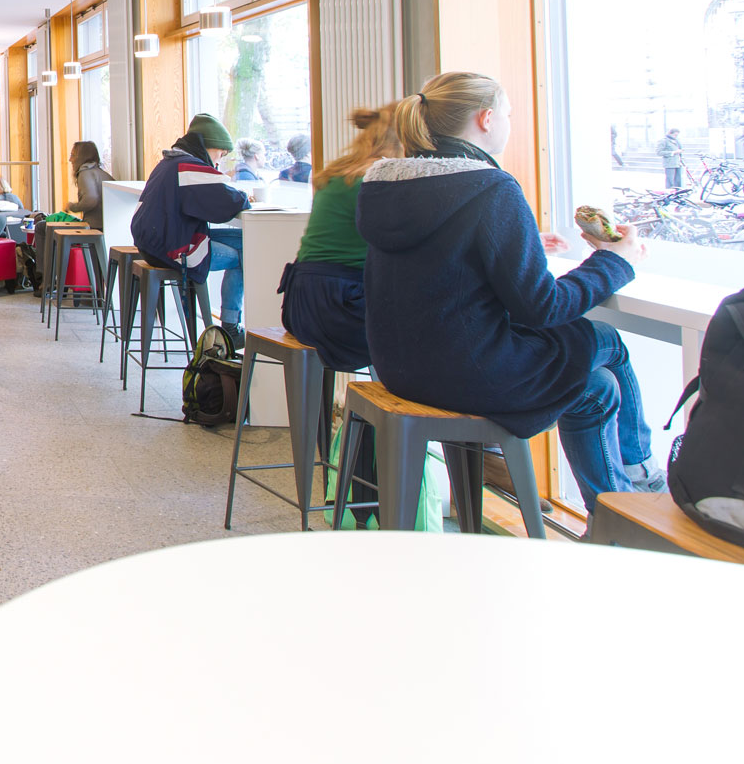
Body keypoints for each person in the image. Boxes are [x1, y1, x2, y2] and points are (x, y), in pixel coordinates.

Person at [355, 71, 662, 513]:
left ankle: (619, 514)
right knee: (605, 341)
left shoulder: (384, 184)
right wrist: (618, 261)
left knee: (597, 387)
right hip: (466, 372)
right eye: (511, 114)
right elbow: (543, 308)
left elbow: (447, 268)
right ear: (486, 118)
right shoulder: (490, 186)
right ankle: (640, 490)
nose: (510, 123)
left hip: (399, 367)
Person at [278, 105, 399, 373]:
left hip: (300, 303)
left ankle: (371, 411)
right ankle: (383, 411)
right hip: (337, 308)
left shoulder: (341, 173)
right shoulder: (374, 180)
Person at [131, 113, 248, 334]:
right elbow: (227, 201)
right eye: (219, 153)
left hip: (157, 240)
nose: (218, 161)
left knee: (247, 241)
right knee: (245, 255)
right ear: (208, 146)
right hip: (170, 246)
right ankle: (231, 328)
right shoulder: (188, 167)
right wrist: (244, 197)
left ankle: (231, 326)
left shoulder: (171, 161)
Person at [63, 140, 112, 231]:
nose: (70, 160)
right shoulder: (99, 173)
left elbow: (91, 199)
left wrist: (72, 206)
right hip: (107, 225)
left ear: (81, 157)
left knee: (42, 227)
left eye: (72, 155)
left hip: (97, 227)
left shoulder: (85, 173)